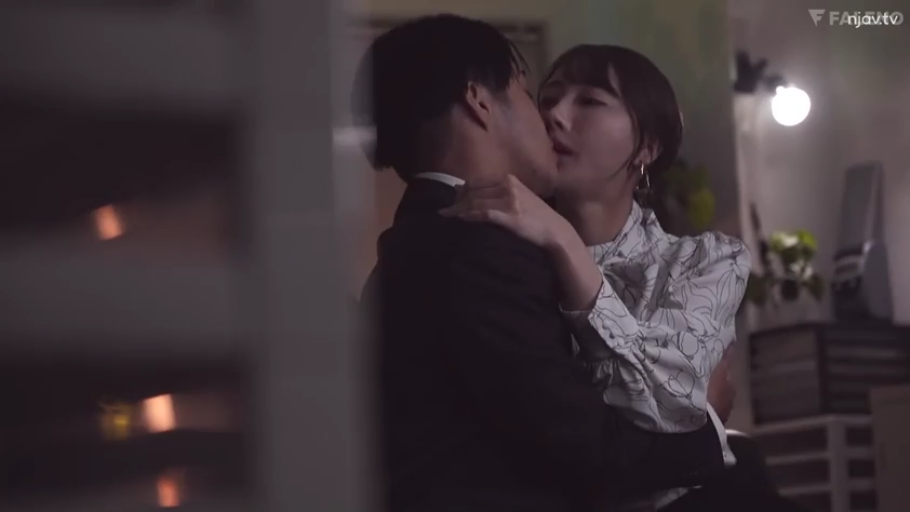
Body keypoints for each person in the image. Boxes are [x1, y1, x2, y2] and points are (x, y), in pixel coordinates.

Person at [353, 16, 728, 512]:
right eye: (531, 95)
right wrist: (709, 433)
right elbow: (583, 447)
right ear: (479, 100)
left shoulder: (419, 244)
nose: (550, 119)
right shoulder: (475, 247)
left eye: (589, 101)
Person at [442, 44, 806, 511]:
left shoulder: (704, 262)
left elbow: (673, 407)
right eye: (548, 99)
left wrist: (566, 243)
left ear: (647, 147)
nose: (556, 115)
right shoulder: (509, 268)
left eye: (590, 101)